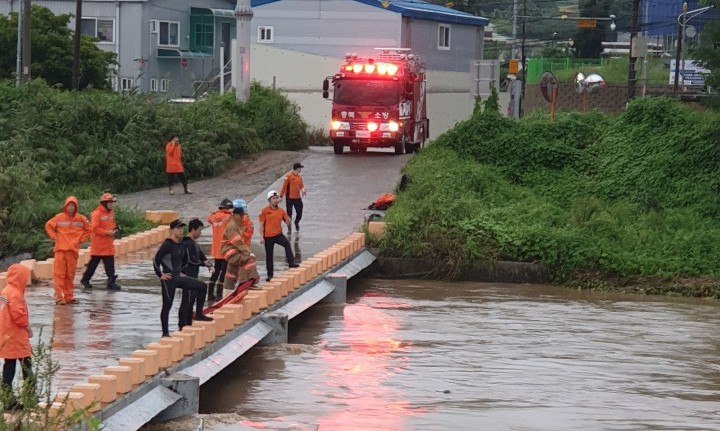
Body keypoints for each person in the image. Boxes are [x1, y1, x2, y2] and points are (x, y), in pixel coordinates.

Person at [153, 220, 212, 337]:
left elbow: (185, 261)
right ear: (172, 230)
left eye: (181, 229)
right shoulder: (167, 244)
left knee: (202, 286)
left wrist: (181, 271)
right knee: (167, 305)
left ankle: (199, 313)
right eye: (178, 229)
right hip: (168, 279)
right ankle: (165, 333)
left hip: (178, 277)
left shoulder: (181, 245)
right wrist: (161, 275)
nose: (180, 231)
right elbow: (155, 260)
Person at [0, 265, 35, 411]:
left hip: (7, 335)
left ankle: (8, 400)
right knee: (27, 366)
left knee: (9, 366)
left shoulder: (6, 290)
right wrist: (28, 327)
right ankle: (30, 398)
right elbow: (19, 316)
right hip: (16, 337)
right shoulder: (15, 294)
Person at [44, 196, 91, 305]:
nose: (70, 208)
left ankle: (69, 297)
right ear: (66, 206)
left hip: (72, 250)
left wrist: (80, 240)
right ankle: (59, 297)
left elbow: (89, 229)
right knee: (59, 274)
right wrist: (54, 237)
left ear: (76, 207)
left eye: (73, 206)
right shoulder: (59, 217)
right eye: (69, 205)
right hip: (60, 250)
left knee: (70, 275)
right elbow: (48, 226)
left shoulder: (81, 218)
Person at [80, 193, 121, 291]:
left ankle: (111, 283)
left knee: (110, 265)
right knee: (93, 265)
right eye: (110, 202)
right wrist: (108, 233)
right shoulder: (96, 213)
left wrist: (115, 230)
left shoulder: (111, 212)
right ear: (104, 203)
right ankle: (85, 280)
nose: (112, 204)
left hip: (108, 244)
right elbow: (95, 229)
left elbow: (112, 224)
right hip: (98, 245)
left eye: (112, 202)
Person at [259, 190, 299, 282]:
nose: (276, 200)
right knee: (269, 255)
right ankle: (270, 275)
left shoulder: (281, 211)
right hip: (268, 236)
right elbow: (261, 225)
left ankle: (291, 262)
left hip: (278, 234)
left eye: (277, 198)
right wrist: (261, 237)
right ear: (269, 200)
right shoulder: (264, 211)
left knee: (286, 244)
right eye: (273, 198)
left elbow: (288, 222)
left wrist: (289, 220)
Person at [180, 218, 212, 328]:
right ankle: (186, 322)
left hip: (192, 275)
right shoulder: (187, 243)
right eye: (199, 230)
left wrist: (208, 264)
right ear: (193, 230)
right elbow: (192, 260)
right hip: (188, 276)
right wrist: (203, 263)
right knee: (188, 300)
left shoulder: (194, 244)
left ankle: (189, 322)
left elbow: (202, 257)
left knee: (191, 299)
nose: (200, 233)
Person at [221, 200, 259, 293]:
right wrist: (248, 252)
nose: (243, 217)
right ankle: (251, 282)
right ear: (236, 215)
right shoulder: (232, 225)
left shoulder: (238, 224)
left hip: (233, 250)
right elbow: (237, 242)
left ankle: (227, 290)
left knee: (231, 272)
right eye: (241, 215)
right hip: (230, 250)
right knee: (249, 259)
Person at [207, 198, 233, 301]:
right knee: (223, 273)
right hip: (225, 249)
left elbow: (209, 218)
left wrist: (215, 212)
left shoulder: (213, 217)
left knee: (216, 272)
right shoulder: (229, 217)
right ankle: (219, 294)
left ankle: (210, 294)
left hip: (216, 250)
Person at [280, 162, 306, 234]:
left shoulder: (299, 177)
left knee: (299, 213)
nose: (301, 169)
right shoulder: (288, 176)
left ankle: (296, 222)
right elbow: (284, 186)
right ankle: (289, 226)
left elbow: (301, 185)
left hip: (297, 198)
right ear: (298, 168)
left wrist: (303, 190)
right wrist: (281, 196)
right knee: (289, 214)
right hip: (289, 198)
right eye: (300, 168)